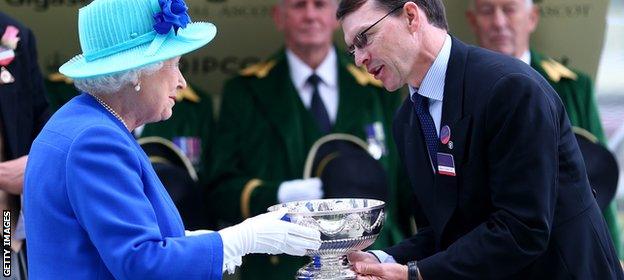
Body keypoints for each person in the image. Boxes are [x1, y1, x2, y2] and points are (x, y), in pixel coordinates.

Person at [23, 0, 321, 279]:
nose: (182, 81)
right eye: (174, 64)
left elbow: (138, 240)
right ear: (137, 74)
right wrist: (241, 239)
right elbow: (141, 262)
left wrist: (233, 239)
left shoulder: (85, 121)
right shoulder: (96, 140)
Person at [337, 0, 624, 279]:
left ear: (411, 17)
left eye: (364, 38)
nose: (360, 58)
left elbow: (523, 228)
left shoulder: (509, 88)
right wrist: (380, 260)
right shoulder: (407, 119)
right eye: (353, 49)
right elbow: (441, 233)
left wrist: (416, 274)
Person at [207, 0, 413, 278]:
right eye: (298, 5)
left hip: (369, 264)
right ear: (278, 16)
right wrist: (280, 195)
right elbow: (220, 189)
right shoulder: (245, 92)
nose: (310, 15)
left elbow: (404, 182)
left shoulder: (378, 80)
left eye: (319, 4)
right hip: (281, 267)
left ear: (335, 16)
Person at [465, 0, 623, 257]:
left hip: (565, 251)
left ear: (532, 18)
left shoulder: (572, 87)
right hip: (486, 251)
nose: (498, 22)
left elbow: (597, 179)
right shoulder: (456, 91)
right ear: (472, 20)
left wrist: (614, 256)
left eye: (509, 10)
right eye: (487, 11)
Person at [0, 11, 50, 267]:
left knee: (7, 269)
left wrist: (35, 164)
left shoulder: (13, 33)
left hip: (6, 222)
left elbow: (39, 113)